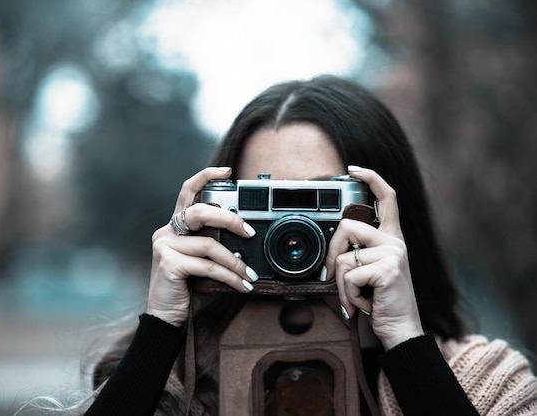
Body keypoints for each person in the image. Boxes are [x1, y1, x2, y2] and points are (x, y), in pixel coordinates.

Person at [82, 76, 537, 416]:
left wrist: (405, 341)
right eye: (266, 203)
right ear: (217, 217)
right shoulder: (172, 381)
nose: (294, 234)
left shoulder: (485, 380)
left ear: (393, 218)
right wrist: (161, 332)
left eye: (323, 203)